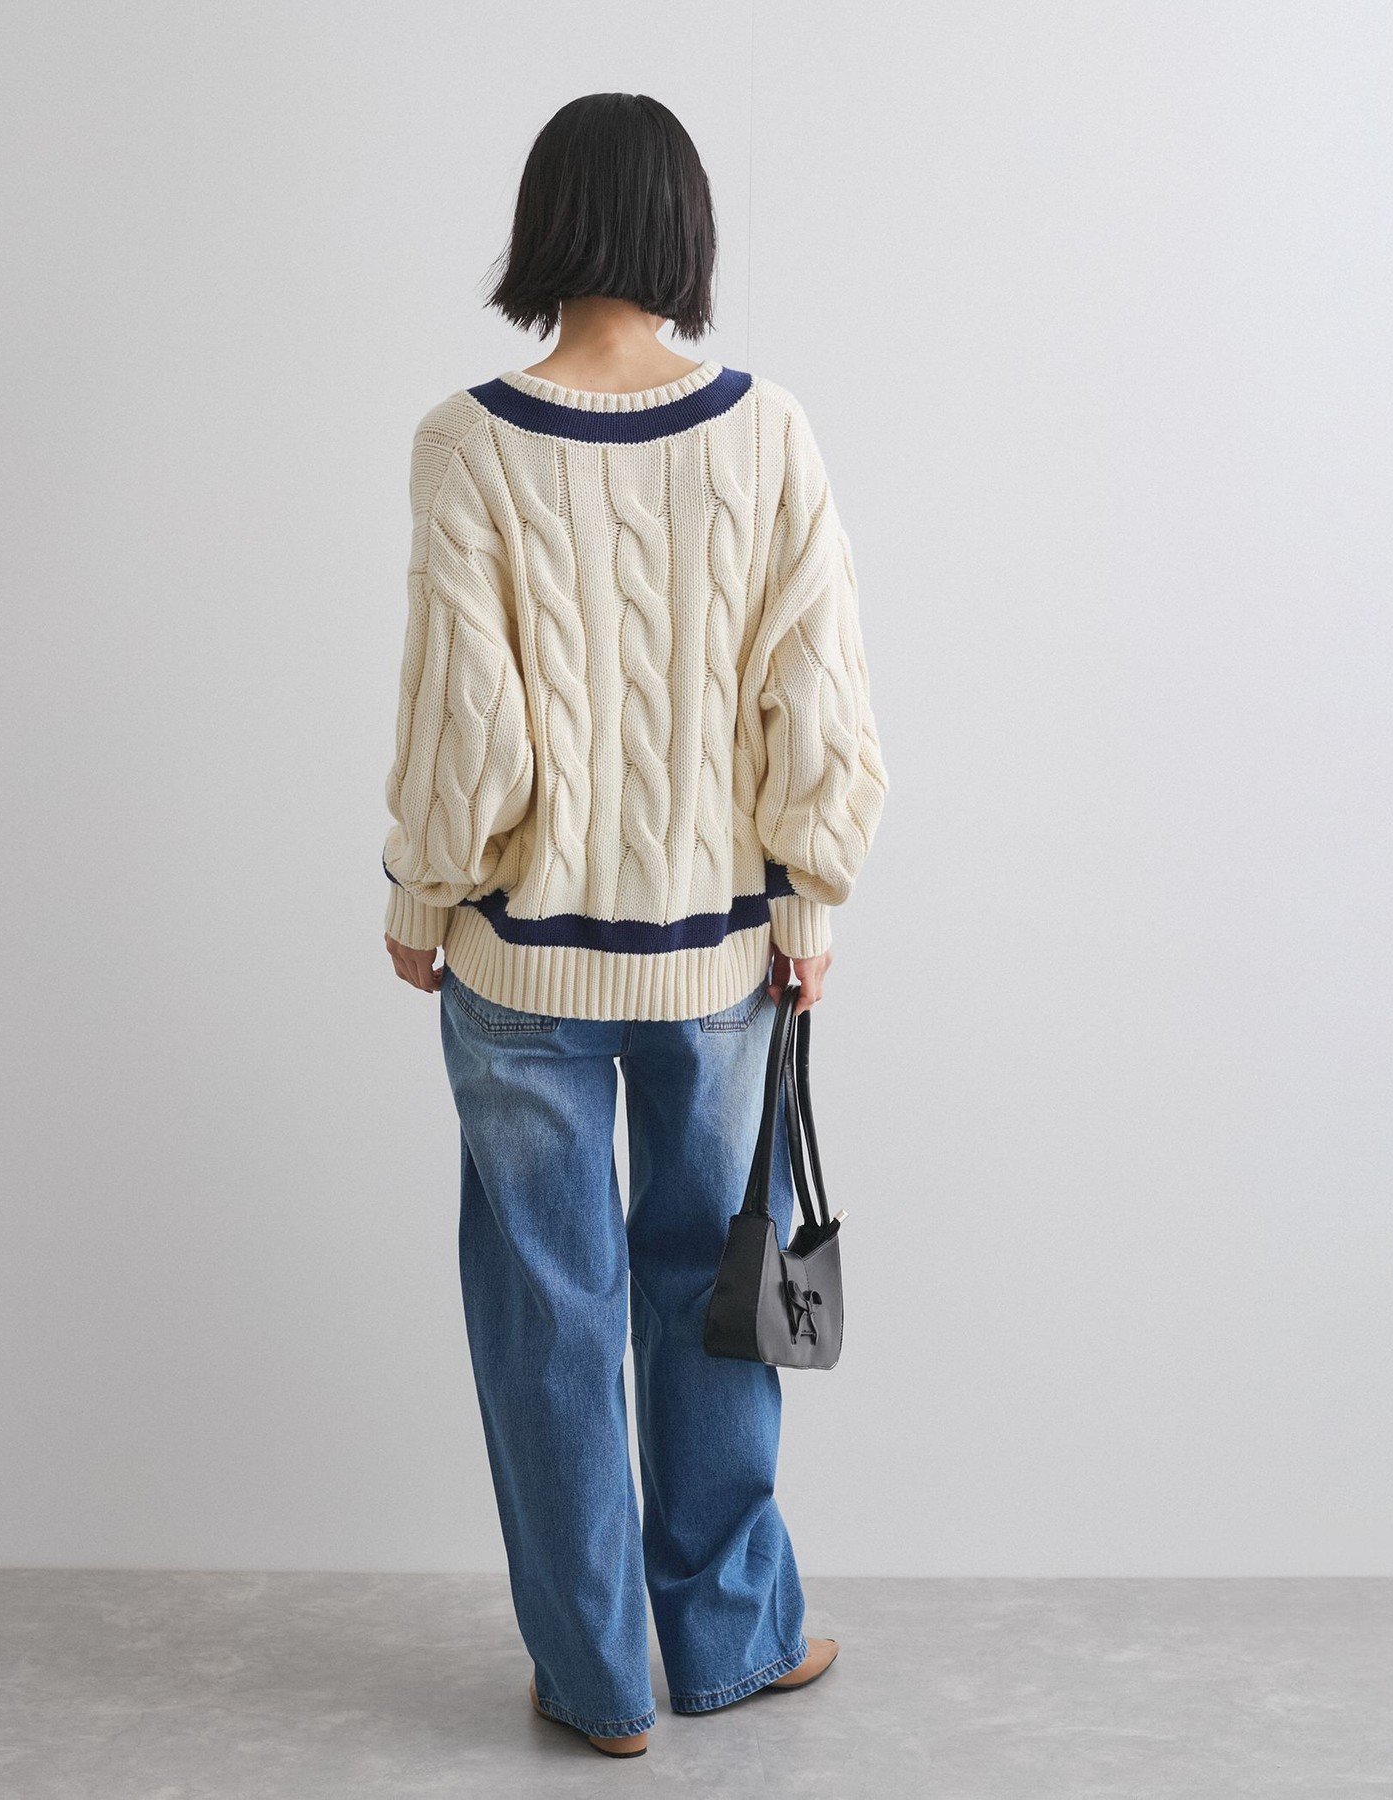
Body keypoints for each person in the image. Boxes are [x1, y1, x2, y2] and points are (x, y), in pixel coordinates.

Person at [381, 92, 887, 1759]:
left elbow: (466, 717)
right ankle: (729, 1639)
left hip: (519, 957)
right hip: (721, 959)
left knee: (550, 1314)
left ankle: (597, 1683)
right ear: (685, 230)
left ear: (544, 227)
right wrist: (810, 894)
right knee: (710, 1289)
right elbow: (817, 697)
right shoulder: (767, 431)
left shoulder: (467, 443)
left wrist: (422, 887)